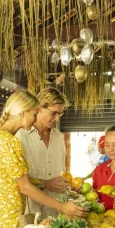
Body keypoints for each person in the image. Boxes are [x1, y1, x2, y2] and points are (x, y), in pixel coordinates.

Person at [0, 90, 87, 228]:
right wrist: (62, 207)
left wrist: (7, 190)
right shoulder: (11, 142)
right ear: (22, 113)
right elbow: (25, 187)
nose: (35, 119)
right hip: (9, 221)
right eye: (34, 114)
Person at [15, 88, 70, 219]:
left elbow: (60, 172)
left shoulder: (58, 138)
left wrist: (69, 185)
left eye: (60, 114)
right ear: (39, 108)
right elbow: (15, 181)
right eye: (54, 113)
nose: (57, 118)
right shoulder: (20, 137)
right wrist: (45, 183)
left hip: (56, 216)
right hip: (30, 216)